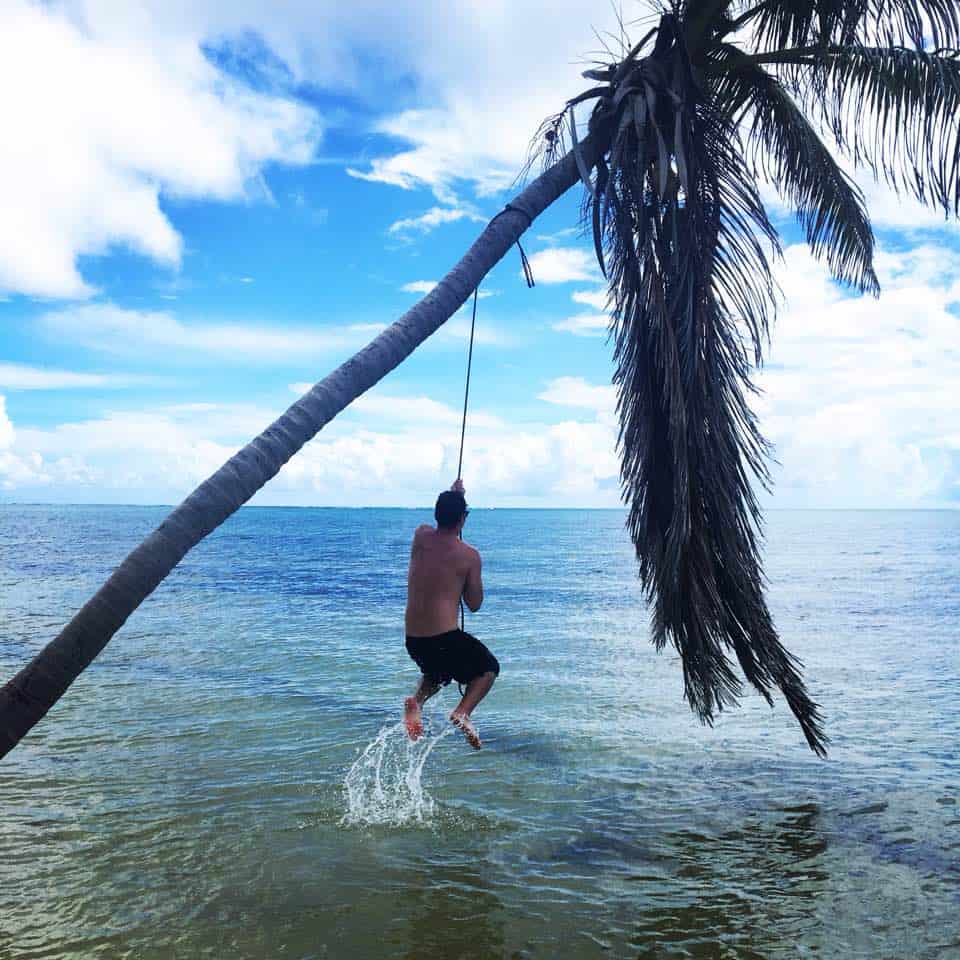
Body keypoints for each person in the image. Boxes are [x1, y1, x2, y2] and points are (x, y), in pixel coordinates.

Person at [403, 479, 499, 749]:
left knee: (439, 672)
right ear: (462, 519)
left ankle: (417, 701)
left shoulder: (421, 536)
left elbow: (445, 515)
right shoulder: (469, 555)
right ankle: (463, 712)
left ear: (437, 514)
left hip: (414, 640)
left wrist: (455, 496)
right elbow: (474, 604)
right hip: (443, 638)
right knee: (489, 668)